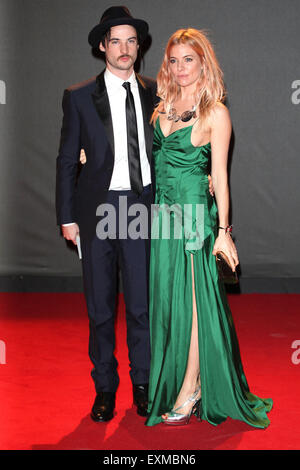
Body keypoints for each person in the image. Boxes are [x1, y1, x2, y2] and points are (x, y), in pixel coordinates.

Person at [145, 28, 273, 427]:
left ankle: (190, 387)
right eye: (174, 60)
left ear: (203, 62)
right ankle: (177, 379)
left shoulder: (215, 112)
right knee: (169, 304)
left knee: (198, 304)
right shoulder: (161, 106)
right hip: (162, 218)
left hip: (194, 217)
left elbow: (220, 175)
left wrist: (222, 231)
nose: (181, 68)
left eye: (189, 59)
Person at [56, 6, 158, 422]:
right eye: (115, 40)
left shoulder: (157, 92)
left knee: (141, 305)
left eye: (131, 40)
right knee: (100, 309)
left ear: (139, 47)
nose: (124, 48)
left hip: (141, 208)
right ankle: (104, 388)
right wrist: (66, 215)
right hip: (96, 211)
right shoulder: (79, 96)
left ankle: (144, 383)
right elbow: (66, 160)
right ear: (102, 46)